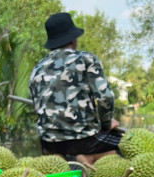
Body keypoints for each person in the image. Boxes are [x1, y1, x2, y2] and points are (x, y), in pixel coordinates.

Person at [29, 12, 121, 165]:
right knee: (123, 143)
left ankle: (58, 158)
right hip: (85, 141)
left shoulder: (37, 68)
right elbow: (105, 98)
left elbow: (39, 106)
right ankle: (90, 157)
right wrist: (106, 124)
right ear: (73, 39)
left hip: (48, 143)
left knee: (57, 145)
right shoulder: (86, 59)